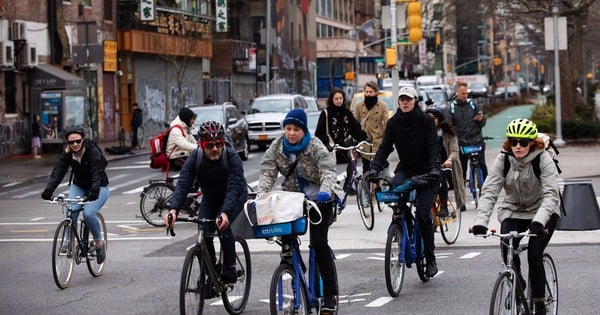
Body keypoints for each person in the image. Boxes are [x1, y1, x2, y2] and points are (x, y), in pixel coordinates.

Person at [471, 119, 561, 315]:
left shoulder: (542, 158)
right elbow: (489, 191)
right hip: (513, 210)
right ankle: (517, 283)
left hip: (542, 211)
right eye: (513, 142)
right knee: (507, 251)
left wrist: (538, 221)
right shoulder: (503, 159)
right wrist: (480, 222)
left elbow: (551, 195)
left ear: (532, 143)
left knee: (534, 255)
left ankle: (539, 304)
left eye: (523, 142)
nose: (518, 146)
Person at [258, 109, 339, 312]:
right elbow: (267, 171)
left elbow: (328, 170)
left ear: (303, 130)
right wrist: (261, 196)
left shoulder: (315, 145)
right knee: (287, 241)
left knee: (319, 244)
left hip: (320, 200)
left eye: (296, 129)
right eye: (288, 129)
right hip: (294, 199)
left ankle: (330, 295)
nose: (292, 133)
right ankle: (294, 269)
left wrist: (325, 192)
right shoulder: (277, 146)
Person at [365, 86, 441, 277]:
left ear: (415, 100)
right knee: (396, 198)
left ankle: (430, 259)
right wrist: (374, 167)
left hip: (427, 172)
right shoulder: (393, 123)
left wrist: (434, 168)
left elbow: (433, 147)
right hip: (406, 169)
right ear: (398, 102)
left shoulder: (426, 121)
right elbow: (385, 148)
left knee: (424, 214)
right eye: (402, 99)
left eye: (408, 99)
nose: (405, 102)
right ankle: (402, 224)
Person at [165, 121, 247, 286]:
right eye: (210, 146)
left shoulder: (231, 157)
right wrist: (173, 210)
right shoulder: (196, 157)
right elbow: (183, 184)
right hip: (211, 197)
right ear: (202, 145)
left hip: (235, 195)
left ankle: (230, 267)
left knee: (222, 225)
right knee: (204, 229)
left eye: (218, 144)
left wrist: (225, 213)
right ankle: (211, 273)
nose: (215, 149)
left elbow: (233, 188)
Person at [41, 125, 109, 264]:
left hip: (99, 187)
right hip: (79, 186)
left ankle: (98, 243)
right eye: (71, 142)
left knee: (89, 214)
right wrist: (49, 190)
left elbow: (97, 173)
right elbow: (58, 172)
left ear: (83, 139)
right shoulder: (67, 154)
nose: (75, 144)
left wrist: (94, 191)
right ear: (68, 143)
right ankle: (68, 243)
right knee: (71, 211)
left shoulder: (92, 151)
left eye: (78, 141)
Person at [315, 87, 368, 193]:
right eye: (336, 98)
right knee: (329, 167)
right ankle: (331, 184)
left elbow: (355, 128)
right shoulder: (326, 113)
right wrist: (327, 145)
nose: (339, 100)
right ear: (332, 100)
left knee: (353, 158)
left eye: (341, 98)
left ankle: (348, 185)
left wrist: (364, 138)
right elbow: (319, 133)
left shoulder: (347, 113)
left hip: (343, 146)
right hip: (330, 147)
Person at [447, 81, 487, 211]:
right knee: (461, 171)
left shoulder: (473, 105)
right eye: (462, 93)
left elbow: (483, 122)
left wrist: (481, 120)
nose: (464, 95)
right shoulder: (451, 107)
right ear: (456, 93)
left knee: (482, 166)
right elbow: (448, 126)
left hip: (476, 140)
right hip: (461, 143)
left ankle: (485, 194)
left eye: (466, 93)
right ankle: (462, 200)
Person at [425, 105, 466, 216]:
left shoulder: (448, 133)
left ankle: (444, 206)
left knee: (441, 178)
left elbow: (454, 150)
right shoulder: (423, 132)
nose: (431, 120)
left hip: (444, 163)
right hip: (429, 163)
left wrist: (449, 160)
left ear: (439, 119)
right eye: (428, 117)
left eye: (434, 118)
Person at [353, 81, 389, 173]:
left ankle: (381, 184)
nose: (368, 94)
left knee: (380, 165)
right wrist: (356, 138)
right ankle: (366, 186)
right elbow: (355, 124)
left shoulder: (382, 106)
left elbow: (386, 123)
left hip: (378, 139)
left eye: (371, 92)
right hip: (364, 140)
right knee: (366, 166)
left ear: (376, 92)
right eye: (366, 92)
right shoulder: (359, 106)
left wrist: (387, 139)